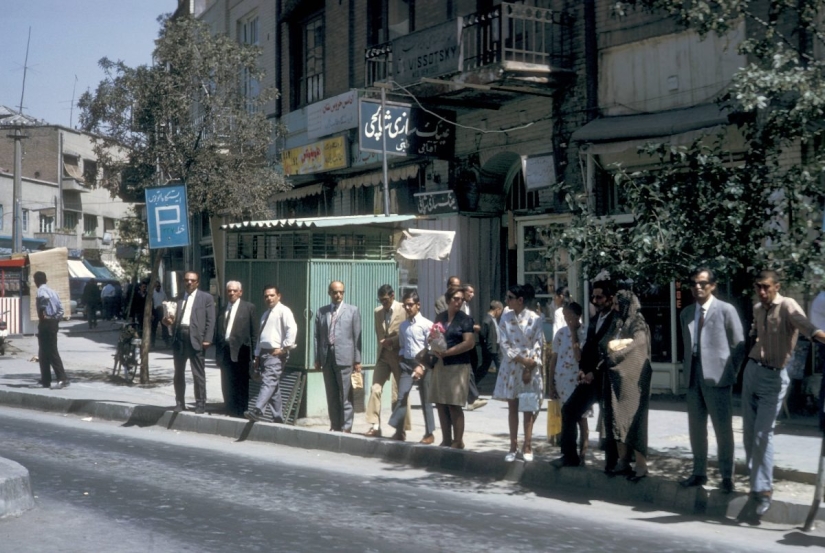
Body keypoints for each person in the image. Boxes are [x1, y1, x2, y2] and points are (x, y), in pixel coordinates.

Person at [739, 270, 825, 520]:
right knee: (748, 434)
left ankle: (764, 491)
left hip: (774, 379)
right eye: (758, 287)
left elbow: (809, 329)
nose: (762, 292)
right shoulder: (757, 308)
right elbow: (755, 335)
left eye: (766, 287)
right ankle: (756, 487)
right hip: (752, 372)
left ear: (777, 286)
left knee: (762, 435)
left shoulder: (787, 305)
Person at [679, 267, 745, 493]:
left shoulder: (726, 310)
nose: (698, 287)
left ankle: (727, 476)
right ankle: (699, 472)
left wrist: (730, 372)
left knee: (722, 429)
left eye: (703, 283)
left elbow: (739, 345)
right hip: (693, 375)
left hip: (718, 377)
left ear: (713, 285)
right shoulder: (686, 313)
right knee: (696, 428)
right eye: (694, 283)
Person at [552, 280, 616, 468]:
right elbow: (589, 349)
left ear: (610, 298)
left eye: (600, 297)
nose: (596, 300)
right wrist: (583, 369)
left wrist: (594, 373)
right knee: (569, 410)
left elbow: (611, 351)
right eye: (594, 297)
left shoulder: (615, 321)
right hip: (589, 377)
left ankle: (613, 464)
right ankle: (569, 456)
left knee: (610, 421)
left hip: (606, 378)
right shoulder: (596, 320)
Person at [602, 290, 653, 482]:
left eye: (617, 304)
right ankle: (622, 461)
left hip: (634, 379)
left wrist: (616, 356)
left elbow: (639, 345)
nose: (614, 307)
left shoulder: (637, 323)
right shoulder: (619, 321)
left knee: (635, 421)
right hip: (618, 378)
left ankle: (641, 465)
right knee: (618, 420)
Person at [493, 284, 544, 462]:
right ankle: (513, 445)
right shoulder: (505, 318)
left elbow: (539, 343)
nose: (507, 301)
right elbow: (504, 344)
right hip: (512, 366)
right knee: (512, 406)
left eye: (510, 298)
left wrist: (530, 366)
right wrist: (521, 360)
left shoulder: (535, 319)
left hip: (530, 366)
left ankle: (527, 445)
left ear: (520, 300)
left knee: (528, 406)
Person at [164, 271, 216, 414]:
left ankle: (200, 404)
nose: (189, 283)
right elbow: (171, 318)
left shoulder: (206, 298)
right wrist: (168, 322)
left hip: (196, 339)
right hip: (180, 338)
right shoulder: (178, 298)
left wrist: (207, 339)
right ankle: (180, 402)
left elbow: (211, 321)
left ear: (197, 282)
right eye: (187, 280)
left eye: (192, 280)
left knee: (198, 373)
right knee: (178, 373)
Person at [430, 285, 475, 449]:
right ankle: (446, 439)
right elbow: (433, 334)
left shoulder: (465, 319)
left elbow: (469, 343)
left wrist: (448, 352)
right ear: (448, 300)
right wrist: (433, 342)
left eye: (461, 300)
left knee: (454, 404)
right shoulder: (440, 316)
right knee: (441, 402)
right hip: (440, 363)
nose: (459, 302)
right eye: (456, 299)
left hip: (458, 365)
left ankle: (458, 440)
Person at [389, 291, 437, 443]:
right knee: (401, 396)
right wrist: (402, 360)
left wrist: (422, 366)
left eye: (410, 305)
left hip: (424, 364)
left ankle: (429, 433)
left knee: (426, 400)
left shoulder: (427, 325)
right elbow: (403, 345)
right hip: (407, 364)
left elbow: (431, 348)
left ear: (418, 305)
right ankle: (399, 430)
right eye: (405, 305)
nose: (408, 308)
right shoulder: (403, 326)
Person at [314, 280, 362, 433]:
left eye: (341, 292)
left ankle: (346, 426)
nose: (338, 295)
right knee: (332, 394)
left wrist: (357, 360)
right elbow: (317, 336)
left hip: (345, 357)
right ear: (329, 293)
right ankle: (335, 425)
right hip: (327, 358)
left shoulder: (352, 311)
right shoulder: (321, 311)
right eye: (335, 292)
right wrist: (317, 358)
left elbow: (357, 337)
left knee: (345, 394)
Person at [245, 285, 297, 423]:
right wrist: (257, 355)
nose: (269, 298)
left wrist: (284, 348)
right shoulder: (266, 314)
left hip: (275, 353)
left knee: (269, 381)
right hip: (263, 353)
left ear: (278, 296)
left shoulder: (284, 311)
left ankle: (258, 410)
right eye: (266, 296)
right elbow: (260, 336)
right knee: (273, 386)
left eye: (272, 295)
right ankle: (278, 417)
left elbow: (292, 329)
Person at [365, 285, 410, 438]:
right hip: (383, 356)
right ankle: (375, 425)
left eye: (385, 300)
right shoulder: (377, 312)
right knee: (375, 389)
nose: (383, 303)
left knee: (398, 394)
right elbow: (379, 334)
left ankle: (400, 429)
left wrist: (392, 341)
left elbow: (408, 331)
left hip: (399, 356)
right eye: (381, 300)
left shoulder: (404, 309)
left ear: (392, 296)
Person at [548, 302, 587, 461]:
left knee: (581, 417)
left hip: (577, 380)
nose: (566, 319)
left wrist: (573, 332)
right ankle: (568, 452)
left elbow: (579, 356)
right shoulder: (560, 333)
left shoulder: (584, 332)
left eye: (569, 315)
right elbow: (554, 358)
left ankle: (583, 451)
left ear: (577, 316)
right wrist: (550, 383)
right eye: (564, 316)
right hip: (562, 379)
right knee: (566, 416)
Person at [215, 281, 258, 418]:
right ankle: (229, 407)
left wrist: (255, 355)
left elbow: (254, 333)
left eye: (234, 291)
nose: (231, 293)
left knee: (241, 382)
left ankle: (241, 410)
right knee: (227, 381)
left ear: (240, 292)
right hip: (225, 350)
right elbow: (218, 332)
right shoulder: (222, 309)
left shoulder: (249, 308)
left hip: (241, 351)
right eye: (229, 291)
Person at [34, 271, 69, 389]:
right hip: (53, 322)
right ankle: (45, 380)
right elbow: (61, 310)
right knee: (43, 353)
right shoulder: (54, 292)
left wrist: (43, 314)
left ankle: (62, 378)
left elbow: (43, 300)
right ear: (46, 280)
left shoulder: (41, 291)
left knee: (51, 351)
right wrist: (55, 319)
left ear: (36, 281)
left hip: (46, 323)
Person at [463, 283, 487, 411]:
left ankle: (471, 396)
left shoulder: (467, 306)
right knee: (468, 369)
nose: (472, 295)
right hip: (462, 342)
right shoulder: (460, 305)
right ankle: (472, 398)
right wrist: (473, 327)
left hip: (469, 341)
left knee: (472, 365)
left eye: (473, 292)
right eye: (470, 292)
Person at [478, 300, 503, 376]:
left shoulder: (493, 319)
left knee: (499, 367)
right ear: (497, 309)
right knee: (485, 368)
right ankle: (473, 384)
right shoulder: (487, 320)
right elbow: (482, 335)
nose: (500, 314)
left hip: (495, 347)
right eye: (500, 311)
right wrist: (486, 347)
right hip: (491, 348)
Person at [151, 281, 169, 348]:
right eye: (157, 286)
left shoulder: (163, 293)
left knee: (164, 327)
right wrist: (152, 313)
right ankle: (152, 343)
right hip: (155, 311)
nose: (158, 288)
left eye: (159, 286)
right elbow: (151, 304)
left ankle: (167, 342)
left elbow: (166, 301)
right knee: (153, 328)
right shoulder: (153, 293)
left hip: (161, 310)